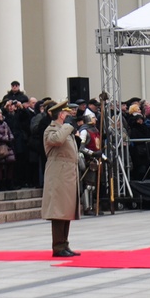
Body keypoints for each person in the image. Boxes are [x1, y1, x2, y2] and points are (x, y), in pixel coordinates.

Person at [41, 101, 82, 257]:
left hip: (68, 173)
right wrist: (68, 127)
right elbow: (56, 140)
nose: (69, 115)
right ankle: (58, 246)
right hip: (58, 173)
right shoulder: (51, 129)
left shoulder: (66, 129)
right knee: (59, 211)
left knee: (66, 210)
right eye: (66, 113)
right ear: (60, 114)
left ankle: (64, 244)